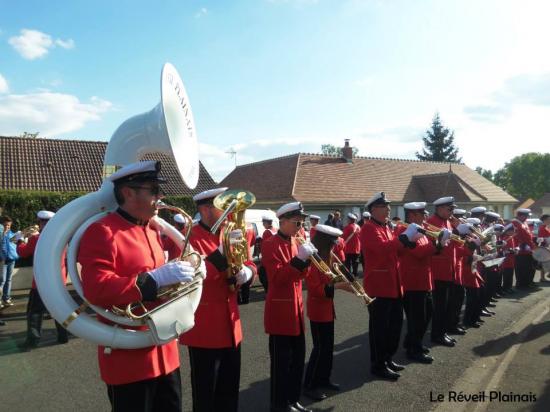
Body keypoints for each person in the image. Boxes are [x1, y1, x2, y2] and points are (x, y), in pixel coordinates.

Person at [78, 160, 202, 412]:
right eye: (154, 190)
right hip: (128, 357)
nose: (161, 196)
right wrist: (154, 280)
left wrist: (179, 277)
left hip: (164, 350)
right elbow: (96, 289)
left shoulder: (153, 231)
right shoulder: (102, 231)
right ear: (128, 192)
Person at [179, 187, 256, 412]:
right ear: (204, 208)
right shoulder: (187, 235)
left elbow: (249, 262)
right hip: (204, 327)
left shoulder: (230, 231)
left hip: (231, 326)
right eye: (223, 206)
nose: (229, 211)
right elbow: (189, 277)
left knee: (229, 391)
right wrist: (218, 260)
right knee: (206, 395)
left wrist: (248, 273)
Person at [360, 192, 421, 380]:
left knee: (394, 327)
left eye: (387, 206)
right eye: (384, 206)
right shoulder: (368, 228)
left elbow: (396, 252)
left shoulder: (386, 226)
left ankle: (387, 358)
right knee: (380, 330)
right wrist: (403, 238)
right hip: (378, 286)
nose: (388, 209)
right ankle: (378, 365)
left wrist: (410, 241)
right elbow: (382, 249)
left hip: (394, 284)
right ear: (373, 210)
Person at [262, 201, 315, 412]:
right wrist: (299, 260)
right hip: (280, 313)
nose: (300, 226)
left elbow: (302, 276)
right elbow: (278, 278)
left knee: (297, 361)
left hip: (295, 312)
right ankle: (279, 405)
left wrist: (307, 261)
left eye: (302, 222)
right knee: (281, 365)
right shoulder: (270, 243)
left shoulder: (295, 241)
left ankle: (293, 400)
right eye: (296, 222)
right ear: (282, 222)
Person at [303, 224, 354, 401]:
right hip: (318, 308)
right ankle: (310, 385)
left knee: (327, 348)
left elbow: (335, 275)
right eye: (331, 244)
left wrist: (345, 279)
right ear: (323, 243)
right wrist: (340, 286)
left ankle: (324, 379)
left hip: (327, 308)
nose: (333, 247)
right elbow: (315, 288)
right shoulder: (312, 260)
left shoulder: (327, 256)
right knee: (319, 349)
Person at [396, 202, 448, 364]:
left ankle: (412, 342)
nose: (426, 217)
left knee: (427, 314)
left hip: (424, 279)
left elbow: (428, 252)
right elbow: (418, 252)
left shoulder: (421, 229)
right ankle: (414, 349)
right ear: (412, 215)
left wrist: (439, 244)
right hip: (413, 281)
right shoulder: (406, 231)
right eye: (421, 214)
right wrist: (437, 244)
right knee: (417, 318)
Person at [16, 210, 69, 349]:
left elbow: (23, 252)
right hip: (59, 282)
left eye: (40, 222)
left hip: (41, 283)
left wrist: (20, 240)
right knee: (60, 310)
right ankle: (63, 336)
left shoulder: (36, 238)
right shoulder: (63, 237)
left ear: (41, 222)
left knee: (35, 312)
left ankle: (32, 340)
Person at [427, 196, 459, 347]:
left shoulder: (447, 222)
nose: (452, 212)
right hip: (439, 270)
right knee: (439, 306)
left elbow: (453, 245)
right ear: (439, 208)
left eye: (452, 209)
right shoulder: (431, 222)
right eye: (449, 209)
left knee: (446, 304)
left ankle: (443, 332)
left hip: (449, 269)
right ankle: (437, 335)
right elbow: (432, 246)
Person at [512, 208, 536, 289]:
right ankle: (521, 284)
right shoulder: (515, 223)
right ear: (521, 216)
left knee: (528, 267)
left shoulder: (523, 222)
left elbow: (528, 235)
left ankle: (527, 282)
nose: (527, 218)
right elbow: (519, 237)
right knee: (521, 268)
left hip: (527, 249)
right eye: (525, 216)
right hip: (521, 249)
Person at [1, 216, 19, 307]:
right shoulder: (1, 234)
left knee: (8, 280)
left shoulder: (11, 234)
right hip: (2, 260)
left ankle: (6, 298)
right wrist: (3, 235)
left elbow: (14, 244)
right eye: (5, 225)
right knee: (2, 280)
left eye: (8, 225)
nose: (7, 227)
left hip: (11, 259)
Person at [258, 214, 278, 292]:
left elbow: (264, 248)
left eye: (263, 223)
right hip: (275, 257)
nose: (263, 224)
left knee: (263, 276)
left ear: (266, 223)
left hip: (268, 259)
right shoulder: (275, 230)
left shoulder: (267, 232)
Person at [342, 213, 361, 278]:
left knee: (348, 262)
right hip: (357, 248)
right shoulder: (358, 227)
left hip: (348, 248)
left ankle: (349, 275)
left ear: (350, 219)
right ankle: (355, 274)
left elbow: (343, 237)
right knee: (355, 262)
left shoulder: (347, 227)